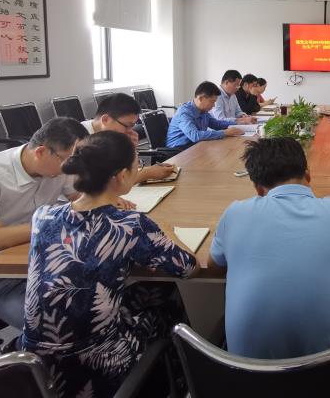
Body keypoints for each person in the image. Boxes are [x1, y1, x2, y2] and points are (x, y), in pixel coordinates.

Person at [22, 131, 198, 397]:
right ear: (121, 176)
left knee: (156, 290)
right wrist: (170, 235)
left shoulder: (43, 216)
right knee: (167, 297)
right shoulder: (131, 225)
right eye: (137, 165)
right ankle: (178, 380)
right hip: (96, 361)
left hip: (36, 364)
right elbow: (188, 267)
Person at [209, 137, 330, 358]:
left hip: (247, 375)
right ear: (308, 175)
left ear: (258, 188)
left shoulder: (234, 213)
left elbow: (214, 266)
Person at [0, 118, 89, 327]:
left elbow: (83, 200)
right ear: (41, 152)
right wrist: (50, 223)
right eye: (69, 161)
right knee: (60, 326)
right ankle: (25, 347)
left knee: (104, 300)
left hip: (40, 263)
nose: (72, 168)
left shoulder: (58, 166)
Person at [82, 92, 175, 182]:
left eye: (132, 126)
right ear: (105, 120)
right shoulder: (80, 139)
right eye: (127, 125)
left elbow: (125, 172)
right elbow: (105, 185)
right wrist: (147, 174)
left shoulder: (110, 137)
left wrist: (131, 150)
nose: (130, 131)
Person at [166, 81, 245, 148]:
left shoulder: (203, 111)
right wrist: (225, 132)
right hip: (177, 151)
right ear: (201, 98)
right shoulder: (184, 112)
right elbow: (195, 136)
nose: (213, 106)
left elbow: (216, 124)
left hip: (194, 147)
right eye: (212, 102)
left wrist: (238, 123)